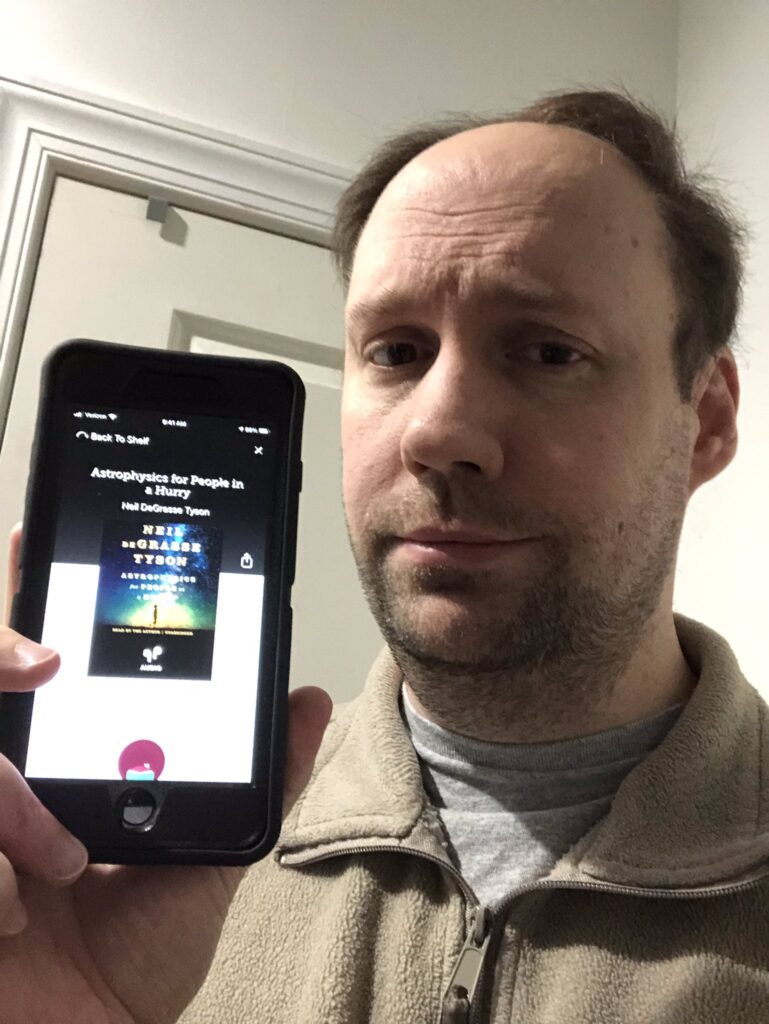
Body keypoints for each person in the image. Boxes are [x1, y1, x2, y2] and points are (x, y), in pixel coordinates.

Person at [0, 87, 763, 1023]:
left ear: (705, 422)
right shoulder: (143, 883)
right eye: (397, 350)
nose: (437, 432)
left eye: (548, 352)